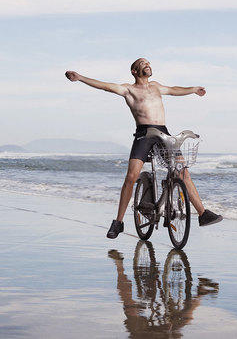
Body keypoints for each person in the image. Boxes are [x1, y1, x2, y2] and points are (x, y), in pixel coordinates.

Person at [65, 57, 223, 238]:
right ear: (134, 71)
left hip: (163, 133)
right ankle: (118, 222)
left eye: (148, 63)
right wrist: (80, 78)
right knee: (131, 177)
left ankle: (203, 214)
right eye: (142, 63)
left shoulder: (156, 86)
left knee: (183, 172)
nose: (147, 65)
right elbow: (105, 86)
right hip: (143, 135)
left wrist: (193, 89)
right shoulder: (129, 89)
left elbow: (173, 90)